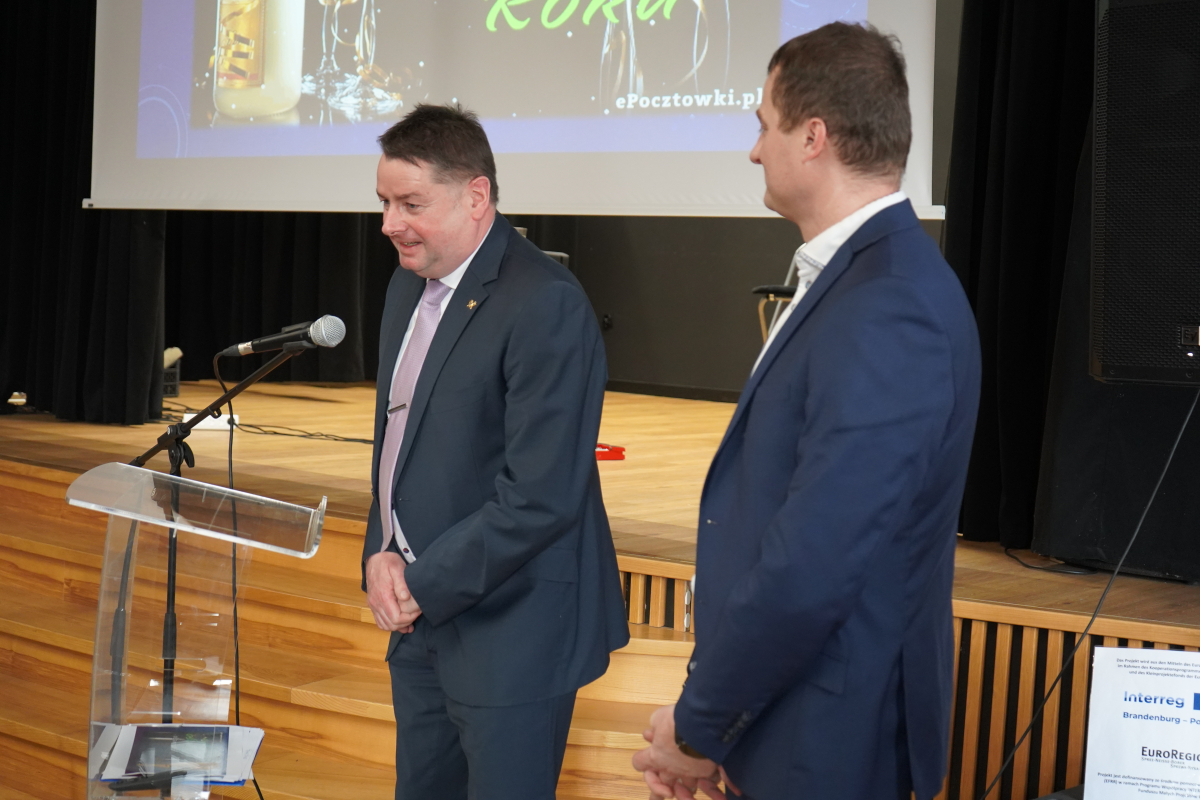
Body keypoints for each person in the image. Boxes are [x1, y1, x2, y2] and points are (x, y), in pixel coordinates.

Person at [631, 22, 982, 800]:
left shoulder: (890, 303)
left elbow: (815, 560)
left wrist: (698, 728)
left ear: (813, 136)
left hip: (829, 741)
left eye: (764, 125)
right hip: (790, 723)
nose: (755, 150)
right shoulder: (864, 280)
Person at [362, 103, 629, 800]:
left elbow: (541, 496)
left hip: (514, 632)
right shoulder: (406, 284)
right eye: (384, 202)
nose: (389, 223)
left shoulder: (545, 302)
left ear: (476, 196)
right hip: (418, 621)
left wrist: (421, 583)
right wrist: (382, 549)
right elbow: (397, 443)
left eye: (410, 204)